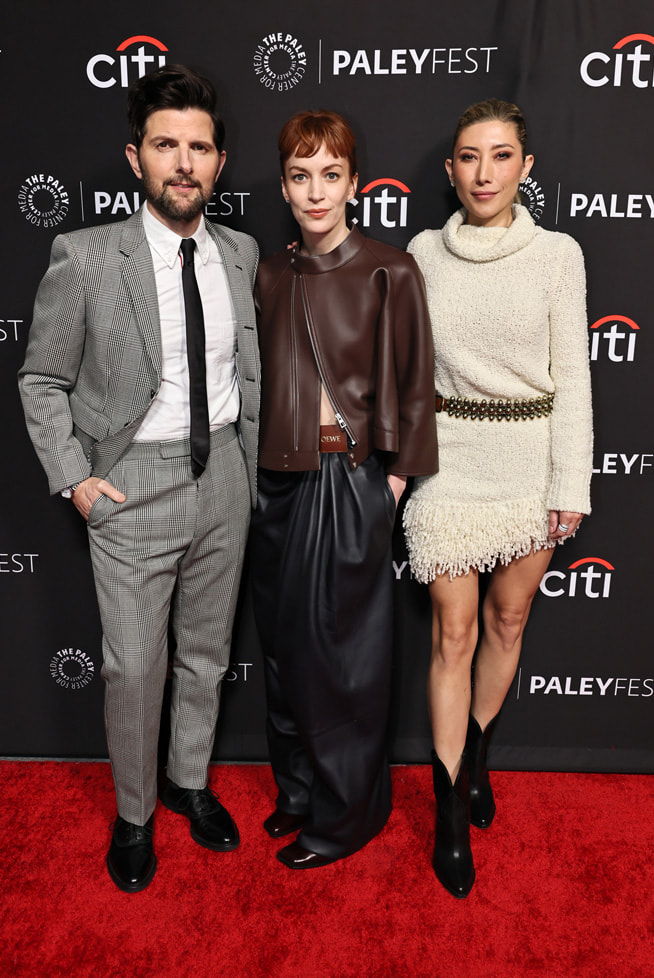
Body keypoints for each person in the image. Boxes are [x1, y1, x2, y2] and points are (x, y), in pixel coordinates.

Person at [18, 65, 260, 893]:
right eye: (167, 146)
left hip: (223, 472)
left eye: (199, 148)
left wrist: (246, 467)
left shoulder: (242, 253)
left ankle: (189, 782)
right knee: (132, 668)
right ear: (136, 158)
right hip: (130, 487)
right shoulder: (85, 258)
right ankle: (134, 814)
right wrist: (77, 481)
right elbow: (41, 381)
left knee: (205, 652)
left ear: (219, 163)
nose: (183, 163)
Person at [403, 98, 593, 898]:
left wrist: (570, 481)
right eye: (470, 158)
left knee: (506, 622)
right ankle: (449, 807)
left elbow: (574, 375)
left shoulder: (558, 254)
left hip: (531, 462)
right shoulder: (419, 251)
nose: (485, 173)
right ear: (451, 171)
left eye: (501, 155)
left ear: (526, 167)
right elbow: (406, 371)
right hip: (448, 462)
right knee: (452, 634)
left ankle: (477, 758)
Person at [250, 110, 438, 869]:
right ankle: (297, 793)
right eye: (301, 175)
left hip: (346, 481)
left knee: (342, 664)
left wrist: (388, 485)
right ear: (286, 186)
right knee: (282, 655)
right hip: (273, 484)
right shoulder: (267, 273)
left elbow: (417, 388)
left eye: (331, 175)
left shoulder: (391, 269)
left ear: (355, 184)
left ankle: (347, 816)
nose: (315, 191)